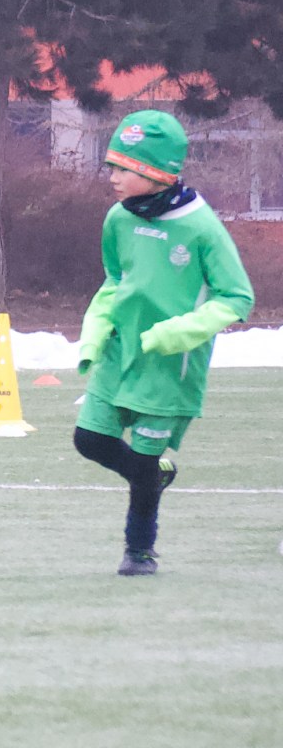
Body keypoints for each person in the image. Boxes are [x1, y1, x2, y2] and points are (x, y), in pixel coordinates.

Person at [73, 110, 254, 577]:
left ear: (156, 172)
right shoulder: (118, 218)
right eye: (111, 166)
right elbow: (116, 280)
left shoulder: (201, 227)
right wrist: (95, 330)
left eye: (123, 168)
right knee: (88, 439)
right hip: (120, 354)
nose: (112, 178)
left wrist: (177, 333)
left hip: (170, 367)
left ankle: (139, 552)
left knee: (142, 467)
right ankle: (154, 475)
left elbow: (237, 296)